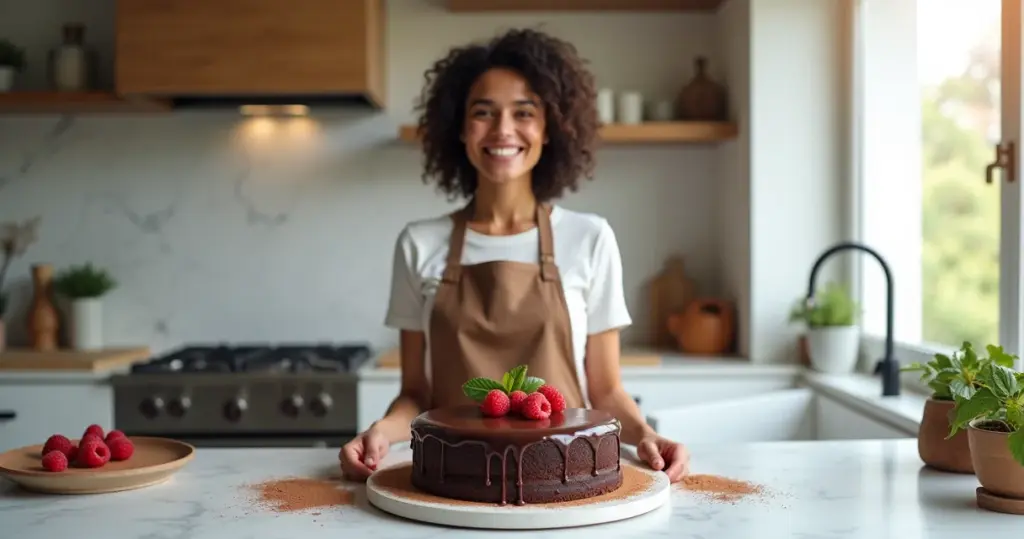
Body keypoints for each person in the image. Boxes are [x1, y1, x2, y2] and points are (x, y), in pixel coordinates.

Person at [339, 28, 690, 483]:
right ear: (460, 129)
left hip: (566, 477)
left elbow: (605, 388)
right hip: (455, 482)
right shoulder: (418, 244)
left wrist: (646, 433)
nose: (503, 129)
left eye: (524, 112)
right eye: (483, 113)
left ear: (550, 129)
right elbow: (414, 393)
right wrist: (380, 433)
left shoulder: (590, 238)